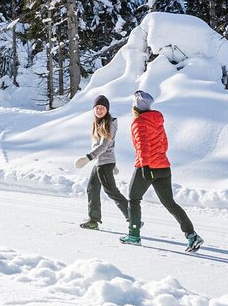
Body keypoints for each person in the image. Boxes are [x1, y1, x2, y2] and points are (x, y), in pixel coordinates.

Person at [120, 90, 204, 252]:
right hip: (163, 167)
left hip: (147, 166)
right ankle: (192, 235)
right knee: (169, 202)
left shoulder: (138, 122)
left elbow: (142, 146)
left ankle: (134, 234)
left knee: (133, 198)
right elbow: (164, 145)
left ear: (135, 107)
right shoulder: (158, 121)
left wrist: (144, 166)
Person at [74, 95, 129, 230]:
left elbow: (104, 146)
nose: (99, 110)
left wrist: (87, 158)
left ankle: (134, 217)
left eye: (102, 108)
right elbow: (109, 145)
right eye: (97, 108)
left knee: (111, 191)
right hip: (100, 162)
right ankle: (93, 220)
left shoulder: (109, 123)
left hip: (104, 163)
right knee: (92, 189)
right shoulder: (97, 123)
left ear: (107, 109)